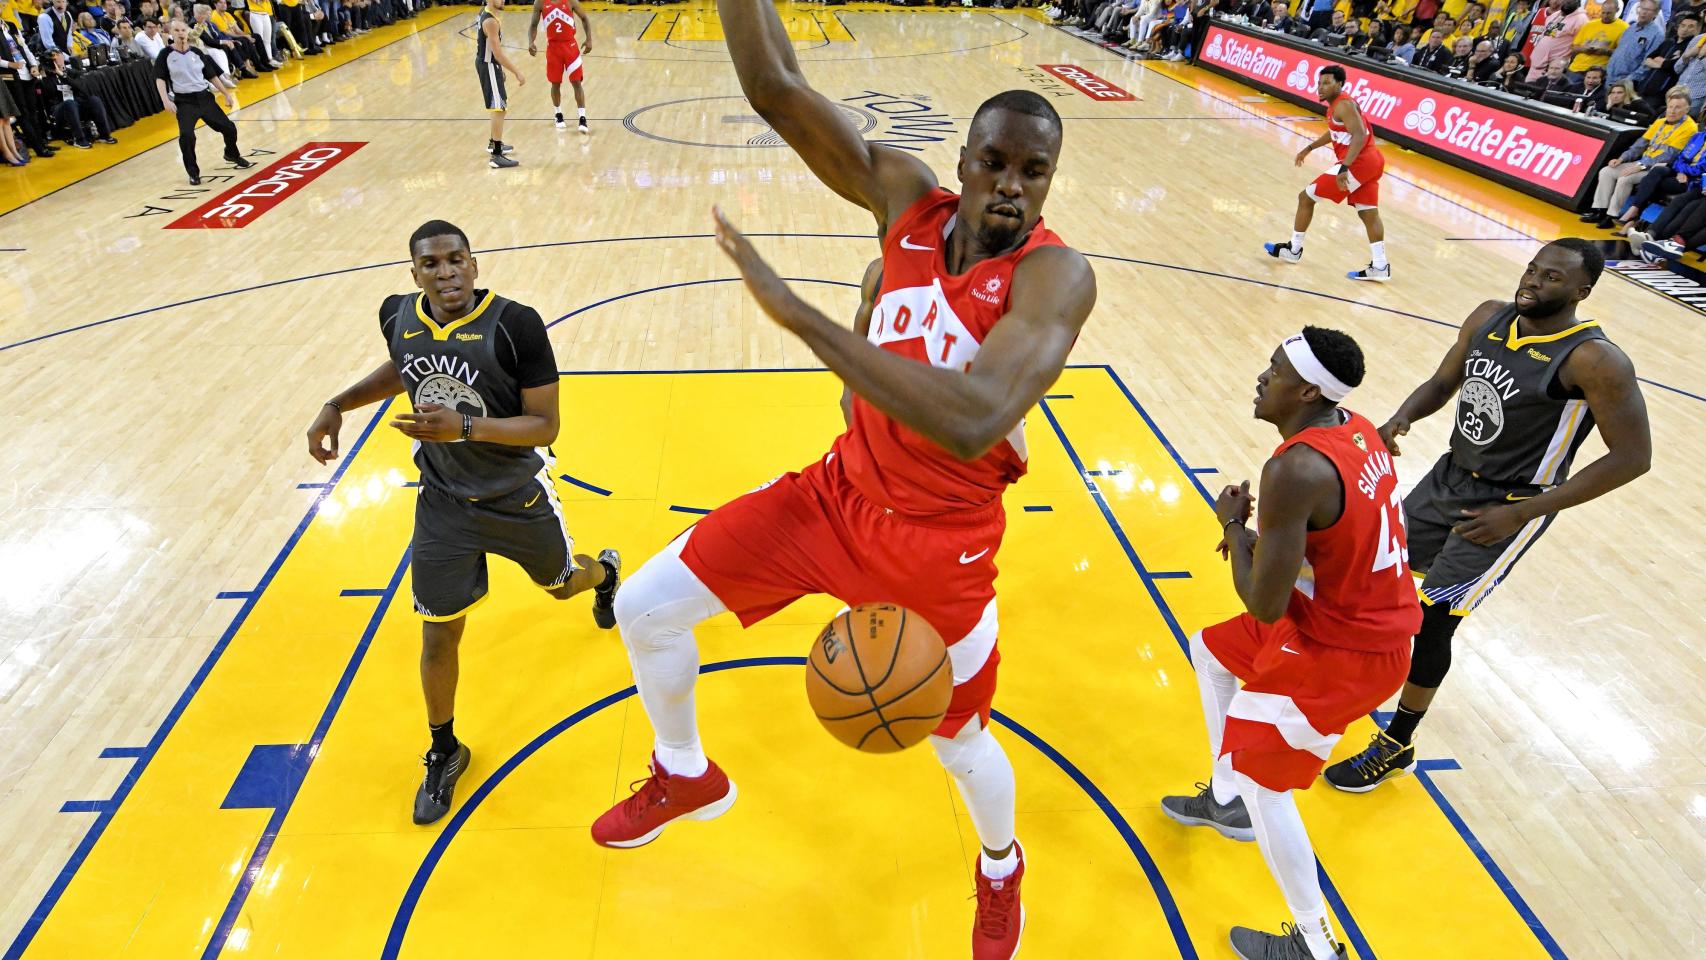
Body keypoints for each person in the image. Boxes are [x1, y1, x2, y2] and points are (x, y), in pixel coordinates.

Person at [592, 0, 1097, 954]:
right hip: (833, 498)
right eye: (995, 163)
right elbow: (777, 90)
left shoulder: (1054, 277)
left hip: (938, 548)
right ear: (964, 162)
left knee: (958, 743)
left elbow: (975, 417)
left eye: (1035, 173)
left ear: (1049, 184)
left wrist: (805, 321)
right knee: (645, 609)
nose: (1012, 188)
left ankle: (1000, 870)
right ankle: (685, 770)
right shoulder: (904, 202)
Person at [304, 221, 621, 826]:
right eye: (432, 265)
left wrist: (465, 428)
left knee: (560, 587)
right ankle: (445, 749)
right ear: (414, 273)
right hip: (443, 501)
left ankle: (604, 573)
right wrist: (336, 404)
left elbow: (545, 425)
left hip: (515, 494)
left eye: (456, 261)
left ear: (474, 265)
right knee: (438, 632)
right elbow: (403, 368)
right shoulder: (396, 314)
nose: (446, 273)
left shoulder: (515, 324)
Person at [1323, 240, 1652, 793]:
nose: (1533, 282)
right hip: (1448, 477)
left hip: (1512, 503)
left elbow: (1632, 459)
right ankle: (1340, 680)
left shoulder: (1595, 359)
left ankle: (1396, 742)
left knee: (1433, 622)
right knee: (1375, 574)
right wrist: (1399, 419)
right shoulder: (1488, 316)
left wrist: (1518, 516)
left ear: (1580, 292)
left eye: (1550, 278)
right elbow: (1443, 383)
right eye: (1531, 269)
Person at [1161, 328, 1417, 960]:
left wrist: (1232, 526)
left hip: (1343, 653)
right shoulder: (1354, 427)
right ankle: (1225, 801)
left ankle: (1315, 945)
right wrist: (1260, 537)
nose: (1260, 377)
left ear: (1306, 390)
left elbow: (1263, 602)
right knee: (1211, 650)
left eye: (1272, 370)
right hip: (1344, 619)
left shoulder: (1295, 467)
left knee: (1266, 783)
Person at [1264, 65, 1391, 282]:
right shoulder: (1337, 105)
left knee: (1306, 197)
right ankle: (1380, 266)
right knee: (1368, 213)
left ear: (1340, 84)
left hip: (1359, 162)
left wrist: (1344, 167)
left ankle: (1294, 249)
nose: (1320, 88)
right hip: (1373, 162)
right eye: (1319, 83)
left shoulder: (1343, 104)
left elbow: (1359, 135)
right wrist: (1310, 147)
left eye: (1326, 83)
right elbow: (1335, 131)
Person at [154, 18, 252, 183]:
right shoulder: (165, 54)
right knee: (187, 136)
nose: (180, 34)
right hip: (184, 102)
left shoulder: (197, 52)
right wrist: (165, 100)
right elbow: (160, 79)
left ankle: (231, 154)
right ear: (171, 33)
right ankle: (193, 173)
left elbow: (211, 75)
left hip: (204, 98)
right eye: (176, 31)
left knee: (229, 128)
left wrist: (226, 94)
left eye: (183, 30)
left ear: (188, 33)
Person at [1580, 86, 1696, 226]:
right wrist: (1622, 158)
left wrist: (1640, 165)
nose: (1672, 110)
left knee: (1625, 178)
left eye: (1678, 107)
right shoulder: (1660, 122)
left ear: (1687, 110)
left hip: (1659, 168)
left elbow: (1669, 156)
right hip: (1642, 162)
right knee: (1606, 171)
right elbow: (1640, 145)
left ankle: (1611, 216)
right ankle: (1600, 210)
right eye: (1670, 106)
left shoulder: (1690, 128)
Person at [1615, 122, 1706, 232]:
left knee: (1651, 182)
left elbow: (1700, 169)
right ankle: (1634, 212)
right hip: (1680, 171)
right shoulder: (1698, 136)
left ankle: (1633, 215)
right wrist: (1680, 171)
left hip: (1695, 180)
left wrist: (1684, 171)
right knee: (1657, 170)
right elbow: (1679, 158)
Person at [526, 0, 591, 134]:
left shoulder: (571, 1)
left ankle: (582, 117)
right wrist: (531, 42)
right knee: (555, 83)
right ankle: (558, 114)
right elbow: (533, 25)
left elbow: (584, 18)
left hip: (570, 47)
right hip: (553, 48)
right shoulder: (539, 3)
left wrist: (589, 39)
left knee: (576, 82)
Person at [475, 0, 523, 168]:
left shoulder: (487, 13)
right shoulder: (490, 21)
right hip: (488, 64)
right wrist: (517, 72)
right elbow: (498, 53)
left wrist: (498, 68)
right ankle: (496, 155)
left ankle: (493, 143)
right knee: (499, 107)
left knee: (500, 104)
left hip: (489, 63)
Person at [1605, 0, 1666, 83]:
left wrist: (1629, 80)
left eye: (1648, 10)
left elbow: (1648, 63)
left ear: (1656, 13)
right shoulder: (1631, 28)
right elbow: (1619, 51)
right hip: (1609, 77)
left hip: (1626, 83)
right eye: (1641, 8)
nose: (1643, 12)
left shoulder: (1657, 34)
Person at [1525, 0, 1586, 81]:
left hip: (1553, 68)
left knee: (1543, 91)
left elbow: (1577, 46)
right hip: (1536, 63)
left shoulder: (1581, 19)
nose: (1566, 2)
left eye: (1570, 1)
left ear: (1577, 2)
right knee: (1526, 89)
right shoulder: (1557, 14)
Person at [1568, 0, 1627, 78]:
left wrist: (1605, 51)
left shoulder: (1624, 27)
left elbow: (1623, 53)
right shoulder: (1589, 25)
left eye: (1609, 13)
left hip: (1599, 71)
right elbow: (1573, 47)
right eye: (1603, 12)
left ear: (1617, 10)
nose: (1605, 16)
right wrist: (1584, 49)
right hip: (1577, 68)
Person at [245, 0, 279, 66]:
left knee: (267, 40)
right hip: (255, 14)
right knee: (260, 39)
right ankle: (261, 60)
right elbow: (256, 1)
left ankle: (270, 59)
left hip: (266, 14)